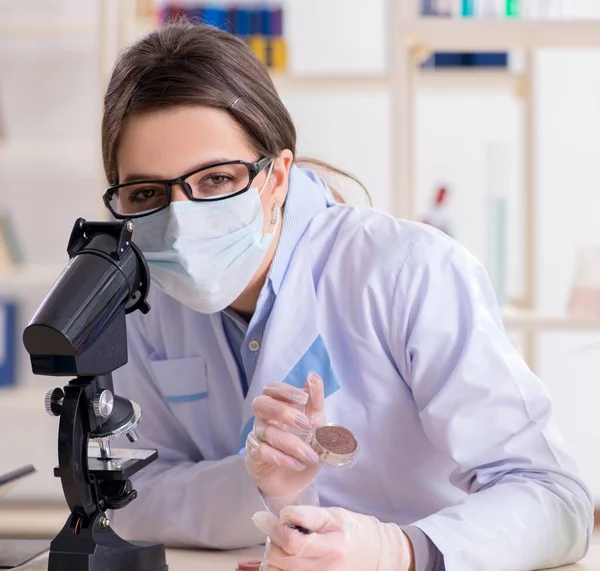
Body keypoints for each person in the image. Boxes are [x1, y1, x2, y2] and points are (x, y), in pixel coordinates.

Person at [103, 21, 593, 571]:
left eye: (217, 179)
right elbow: (127, 495)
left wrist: (397, 550)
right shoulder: (144, 308)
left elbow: (556, 499)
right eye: (146, 193)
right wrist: (259, 484)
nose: (178, 224)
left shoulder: (408, 271)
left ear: (279, 176)